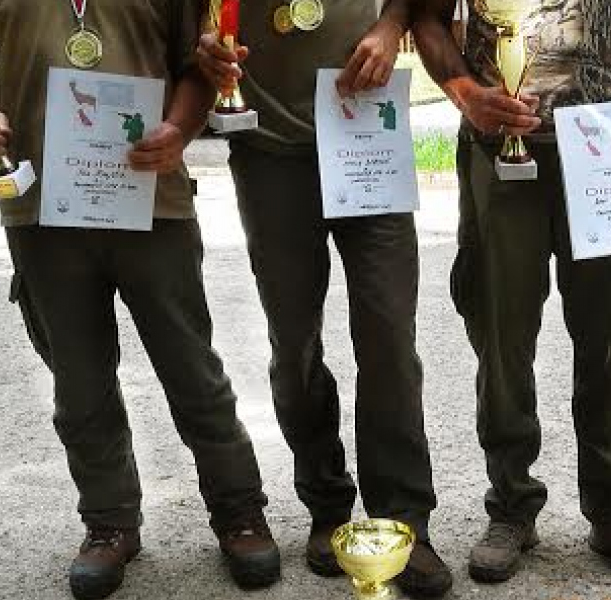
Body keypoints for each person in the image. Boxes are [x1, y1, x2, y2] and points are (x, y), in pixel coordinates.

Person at [0, 1, 280, 598]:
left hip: (152, 198)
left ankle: (239, 511)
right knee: (80, 384)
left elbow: (199, 64)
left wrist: (179, 131)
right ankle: (109, 524)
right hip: (40, 208)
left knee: (193, 370)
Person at [412, 0, 611, 593]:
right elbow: (427, 16)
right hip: (498, 147)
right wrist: (464, 92)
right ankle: (512, 506)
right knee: (499, 333)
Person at [196, 1, 452, 597]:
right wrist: (205, 44)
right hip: (268, 151)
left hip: (367, 131)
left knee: (390, 339)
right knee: (294, 342)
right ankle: (327, 505)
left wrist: (392, 25)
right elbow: (193, 20)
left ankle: (403, 522)